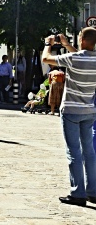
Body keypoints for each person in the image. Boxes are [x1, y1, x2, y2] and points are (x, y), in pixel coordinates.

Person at [42, 29, 96, 207]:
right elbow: (82, 55)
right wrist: (66, 44)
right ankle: (92, 191)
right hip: (89, 110)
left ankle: (78, 193)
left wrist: (48, 44)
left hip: (71, 111)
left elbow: (46, 59)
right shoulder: (90, 59)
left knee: (73, 151)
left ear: (81, 40)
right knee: (89, 152)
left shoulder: (73, 59)